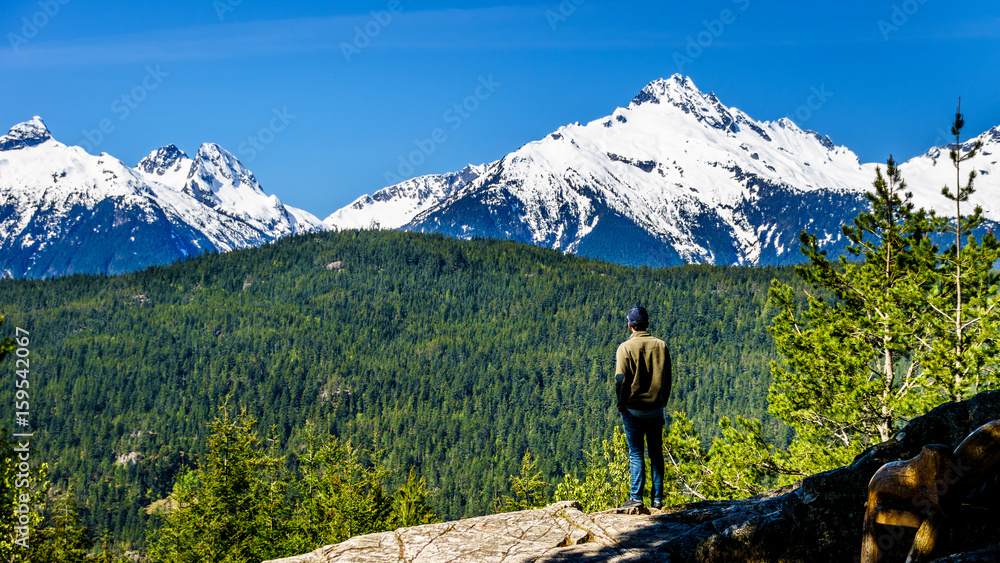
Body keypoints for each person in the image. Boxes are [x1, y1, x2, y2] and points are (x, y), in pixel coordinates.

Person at [614, 306, 671, 510]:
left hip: (633, 410)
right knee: (656, 453)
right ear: (647, 324)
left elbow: (621, 380)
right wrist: (662, 401)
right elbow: (667, 379)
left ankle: (636, 497)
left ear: (630, 325)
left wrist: (621, 403)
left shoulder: (624, 348)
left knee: (636, 453)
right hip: (655, 409)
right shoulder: (661, 346)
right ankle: (658, 500)